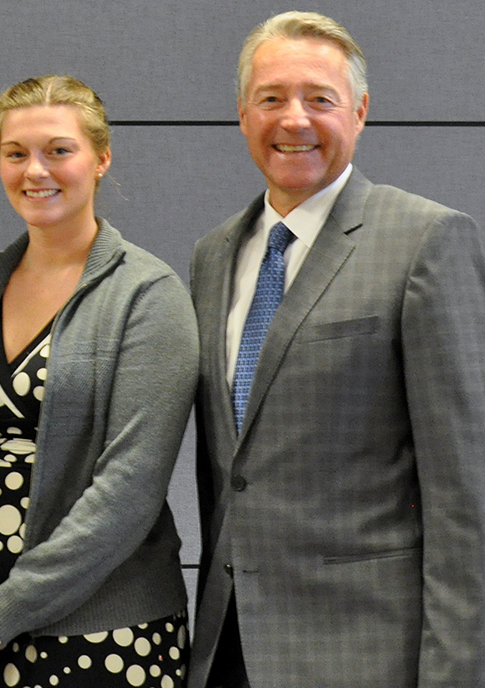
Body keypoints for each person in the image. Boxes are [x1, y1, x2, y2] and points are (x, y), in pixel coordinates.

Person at [189, 11, 485, 688]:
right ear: (242, 114)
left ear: (360, 111)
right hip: (228, 652)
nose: (293, 120)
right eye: (271, 98)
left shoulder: (426, 241)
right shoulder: (213, 257)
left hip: (366, 657)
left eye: (319, 99)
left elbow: (466, 500)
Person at [0, 75, 198, 688]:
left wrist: (3, 612)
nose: (34, 171)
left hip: (104, 633)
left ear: (101, 158)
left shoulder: (147, 295)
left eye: (58, 150)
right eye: (15, 154)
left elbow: (128, 492)